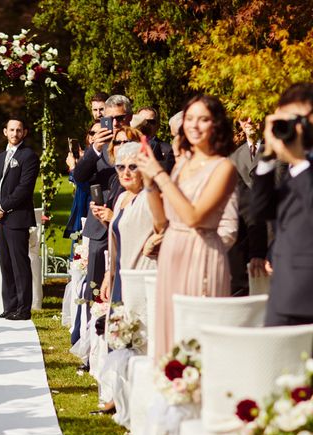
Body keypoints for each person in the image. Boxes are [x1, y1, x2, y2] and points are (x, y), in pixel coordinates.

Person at [137, 94, 237, 360]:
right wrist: (149, 182)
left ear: (217, 125)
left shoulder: (224, 167)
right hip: (173, 250)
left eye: (203, 119)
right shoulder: (182, 164)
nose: (194, 125)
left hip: (201, 251)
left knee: (195, 335)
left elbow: (195, 217)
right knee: (170, 329)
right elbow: (161, 222)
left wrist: (159, 173)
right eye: (190, 119)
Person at [94, 142, 158, 415]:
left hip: (143, 275)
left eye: (133, 166)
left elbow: (168, 226)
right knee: (118, 337)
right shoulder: (121, 198)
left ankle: (139, 399)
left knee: (139, 338)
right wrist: (109, 276)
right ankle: (117, 396)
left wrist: (156, 239)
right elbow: (115, 240)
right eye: (121, 167)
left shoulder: (150, 197)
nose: (126, 172)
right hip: (121, 275)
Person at [252, 82, 313, 326]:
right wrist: (267, 156)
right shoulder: (292, 165)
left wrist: (298, 161)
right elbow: (260, 210)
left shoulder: (300, 164)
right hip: (283, 294)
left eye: (295, 119)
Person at [73, 95, 133, 308]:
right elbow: (79, 177)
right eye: (111, 119)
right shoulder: (98, 147)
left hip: (131, 218)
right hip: (100, 220)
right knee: (95, 283)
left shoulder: (139, 145)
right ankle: (91, 328)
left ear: (130, 117)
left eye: (121, 118)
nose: (116, 123)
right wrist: (95, 150)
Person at [0, 116, 40, 320]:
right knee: (5, 263)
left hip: (17, 218)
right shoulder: (0, 157)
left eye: (19, 130)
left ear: (24, 133)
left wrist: (3, 206)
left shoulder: (29, 156)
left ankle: (23, 308)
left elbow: (24, 189)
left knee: (20, 264)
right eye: (11, 130)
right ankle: (8, 307)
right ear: (5, 132)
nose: (15, 134)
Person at [228, 117, 268, 296]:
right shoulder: (235, 156)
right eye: (245, 119)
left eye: (254, 117)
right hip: (244, 233)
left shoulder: (276, 150)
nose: (250, 122)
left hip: (269, 227)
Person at [137, 106, 175, 173]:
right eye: (142, 121)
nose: (146, 125)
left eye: (151, 122)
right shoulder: (126, 145)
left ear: (158, 125)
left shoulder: (167, 150)